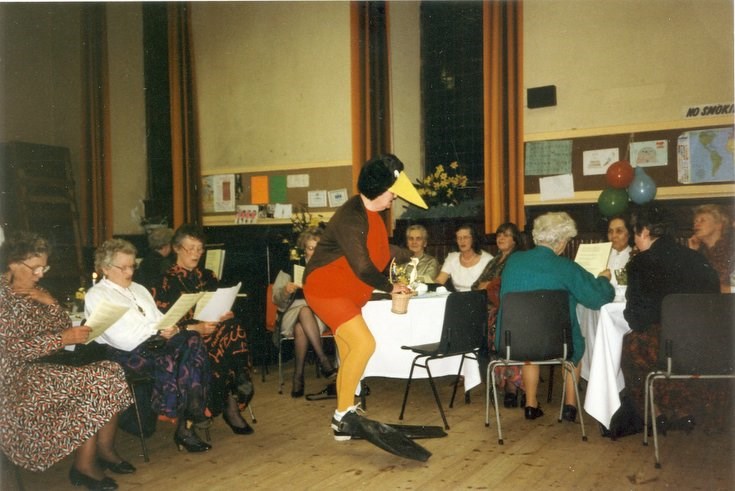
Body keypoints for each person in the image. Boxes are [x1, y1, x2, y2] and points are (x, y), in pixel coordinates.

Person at [303, 154, 430, 460]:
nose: (394, 196)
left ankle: (343, 417)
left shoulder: (372, 214)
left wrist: (406, 256)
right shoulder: (351, 217)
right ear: (378, 189)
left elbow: (381, 251)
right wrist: (390, 286)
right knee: (364, 344)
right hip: (325, 288)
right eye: (392, 191)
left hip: (345, 292)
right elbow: (362, 266)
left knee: (350, 350)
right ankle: (342, 415)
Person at [0, 232, 132, 490]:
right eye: (35, 268)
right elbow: (9, 349)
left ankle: (103, 452)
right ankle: (85, 466)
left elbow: (62, 325)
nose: (40, 274)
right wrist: (61, 339)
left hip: (37, 370)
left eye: (44, 267)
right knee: (97, 380)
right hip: (11, 380)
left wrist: (50, 303)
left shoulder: (35, 291)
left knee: (111, 370)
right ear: (13, 263)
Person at [85, 238, 213, 453]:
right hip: (127, 354)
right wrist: (158, 331)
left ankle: (187, 412)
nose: (130, 272)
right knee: (184, 354)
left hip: (156, 345)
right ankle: (190, 417)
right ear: (105, 268)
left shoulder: (139, 289)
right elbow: (122, 339)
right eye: (123, 268)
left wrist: (171, 328)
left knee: (192, 340)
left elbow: (159, 318)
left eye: (132, 266)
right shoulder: (97, 295)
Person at [498, 212, 615, 422]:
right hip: (558, 344)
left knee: (530, 340)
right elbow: (597, 298)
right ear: (561, 242)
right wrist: (604, 279)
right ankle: (569, 407)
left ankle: (531, 404)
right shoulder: (565, 267)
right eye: (567, 241)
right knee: (574, 343)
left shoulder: (513, 261)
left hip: (513, 342)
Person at [623, 206, 720, 432]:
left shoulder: (640, 263)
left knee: (633, 345)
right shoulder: (698, 259)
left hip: (664, 346)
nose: (634, 240)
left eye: (635, 233)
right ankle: (683, 410)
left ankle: (656, 413)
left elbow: (637, 318)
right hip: (705, 345)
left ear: (644, 231)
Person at [153, 224, 255, 435]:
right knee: (219, 347)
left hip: (212, 331)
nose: (196, 253)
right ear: (177, 248)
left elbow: (219, 304)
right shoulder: (164, 281)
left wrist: (226, 313)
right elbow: (162, 323)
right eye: (190, 248)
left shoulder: (208, 276)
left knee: (232, 325)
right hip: (185, 338)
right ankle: (230, 402)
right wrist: (196, 328)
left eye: (199, 249)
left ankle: (228, 397)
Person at [273, 227, 336, 398]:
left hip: (318, 315)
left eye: (318, 248)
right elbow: (276, 299)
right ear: (304, 248)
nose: (314, 252)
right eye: (310, 248)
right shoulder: (291, 266)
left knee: (301, 326)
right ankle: (323, 359)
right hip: (291, 312)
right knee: (303, 310)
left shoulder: (329, 267)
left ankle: (298, 376)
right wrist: (286, 291)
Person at [471, 222, 525, 406]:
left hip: (509, 309)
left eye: (506, 235)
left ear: (515, 240)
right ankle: (502, 384)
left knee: (499, 329)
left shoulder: (517, 259)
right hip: (489, 309)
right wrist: (488, 285)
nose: (501, 238)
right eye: (499, 235)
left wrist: (489, 285)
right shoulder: (494, 260)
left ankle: (512, 387)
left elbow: (506, 285)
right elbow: (476, 285)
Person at [687, 204, 734, 292]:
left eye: (702, 220)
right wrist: (692, 252)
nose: (696, 224)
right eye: (695, 221)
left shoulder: (732, 251)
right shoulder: (699, 253)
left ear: (719, 225)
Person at [435, 223, 493, 291]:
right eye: (459, 238)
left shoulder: (487, 260)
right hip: (457, 296)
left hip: (478, 295)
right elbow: (439, 281)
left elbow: (488, 286)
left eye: (465, 237)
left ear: (474, 239)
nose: (462, 241)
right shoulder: (452, 258)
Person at [601, 215, 633, 286]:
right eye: (610, 231)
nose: (614, 236)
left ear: (629, 234)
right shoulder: (602, 255)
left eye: (619, 231)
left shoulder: (635, 257)